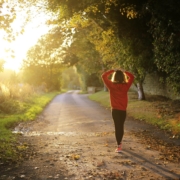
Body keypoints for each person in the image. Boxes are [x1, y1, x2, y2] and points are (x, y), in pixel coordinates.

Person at [101, 68, 134, 153]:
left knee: (117, 126)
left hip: (115, 110)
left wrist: (112, 70)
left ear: (114, 77)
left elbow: (104, 76)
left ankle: (119, 145)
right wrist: (125, 71)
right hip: (123, 110)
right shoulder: (126, 86)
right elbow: (132, 77)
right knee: (121, 126)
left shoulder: (111, 85)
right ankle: (120, 143)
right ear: (123, 77)